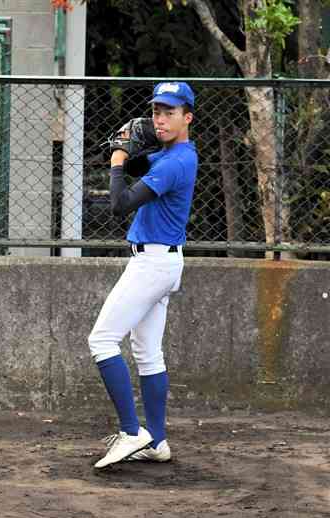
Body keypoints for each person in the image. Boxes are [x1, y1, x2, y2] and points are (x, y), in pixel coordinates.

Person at [88, 81, 198, 468]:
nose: (160, 118)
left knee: (101, 340)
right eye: (156, 111)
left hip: (152, 264)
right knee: (147, 352)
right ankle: (157, 441)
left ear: (188, 116)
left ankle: (132, 433)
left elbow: (119, 203)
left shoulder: (175, 162)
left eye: (170, 112)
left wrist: (117, 157)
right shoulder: (172, 154)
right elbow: (143, 163)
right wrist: (129, 154)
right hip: (162, 262)